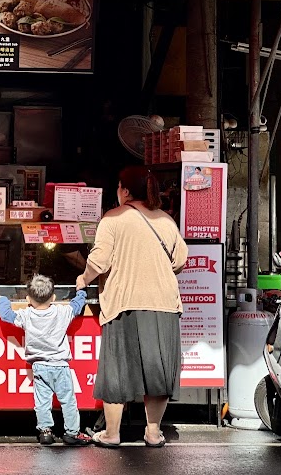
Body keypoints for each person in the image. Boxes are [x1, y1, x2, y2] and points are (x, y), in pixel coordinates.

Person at [76, 166, 188, 448]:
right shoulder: (166, 220)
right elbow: (179, 261)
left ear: (124, 190)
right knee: (159, 368)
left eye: (118, 186)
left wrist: (83, 279)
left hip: (124, 301)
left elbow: (99, 261)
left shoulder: (113, 218)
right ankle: (153, 432)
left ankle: (112, 434)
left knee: (117, 368)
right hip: (163, 303)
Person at [0, 275, 92, 446]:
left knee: (42, 402)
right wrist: (81, 291)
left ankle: (45, 432)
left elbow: (6, 315)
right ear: (53, 297)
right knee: (68, 401)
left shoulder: (26, 315)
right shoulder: (62, 312)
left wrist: (2, 299)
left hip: (39, 366)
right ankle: (72, 433)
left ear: (28, 299)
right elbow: (77, 306)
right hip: (60, 366)